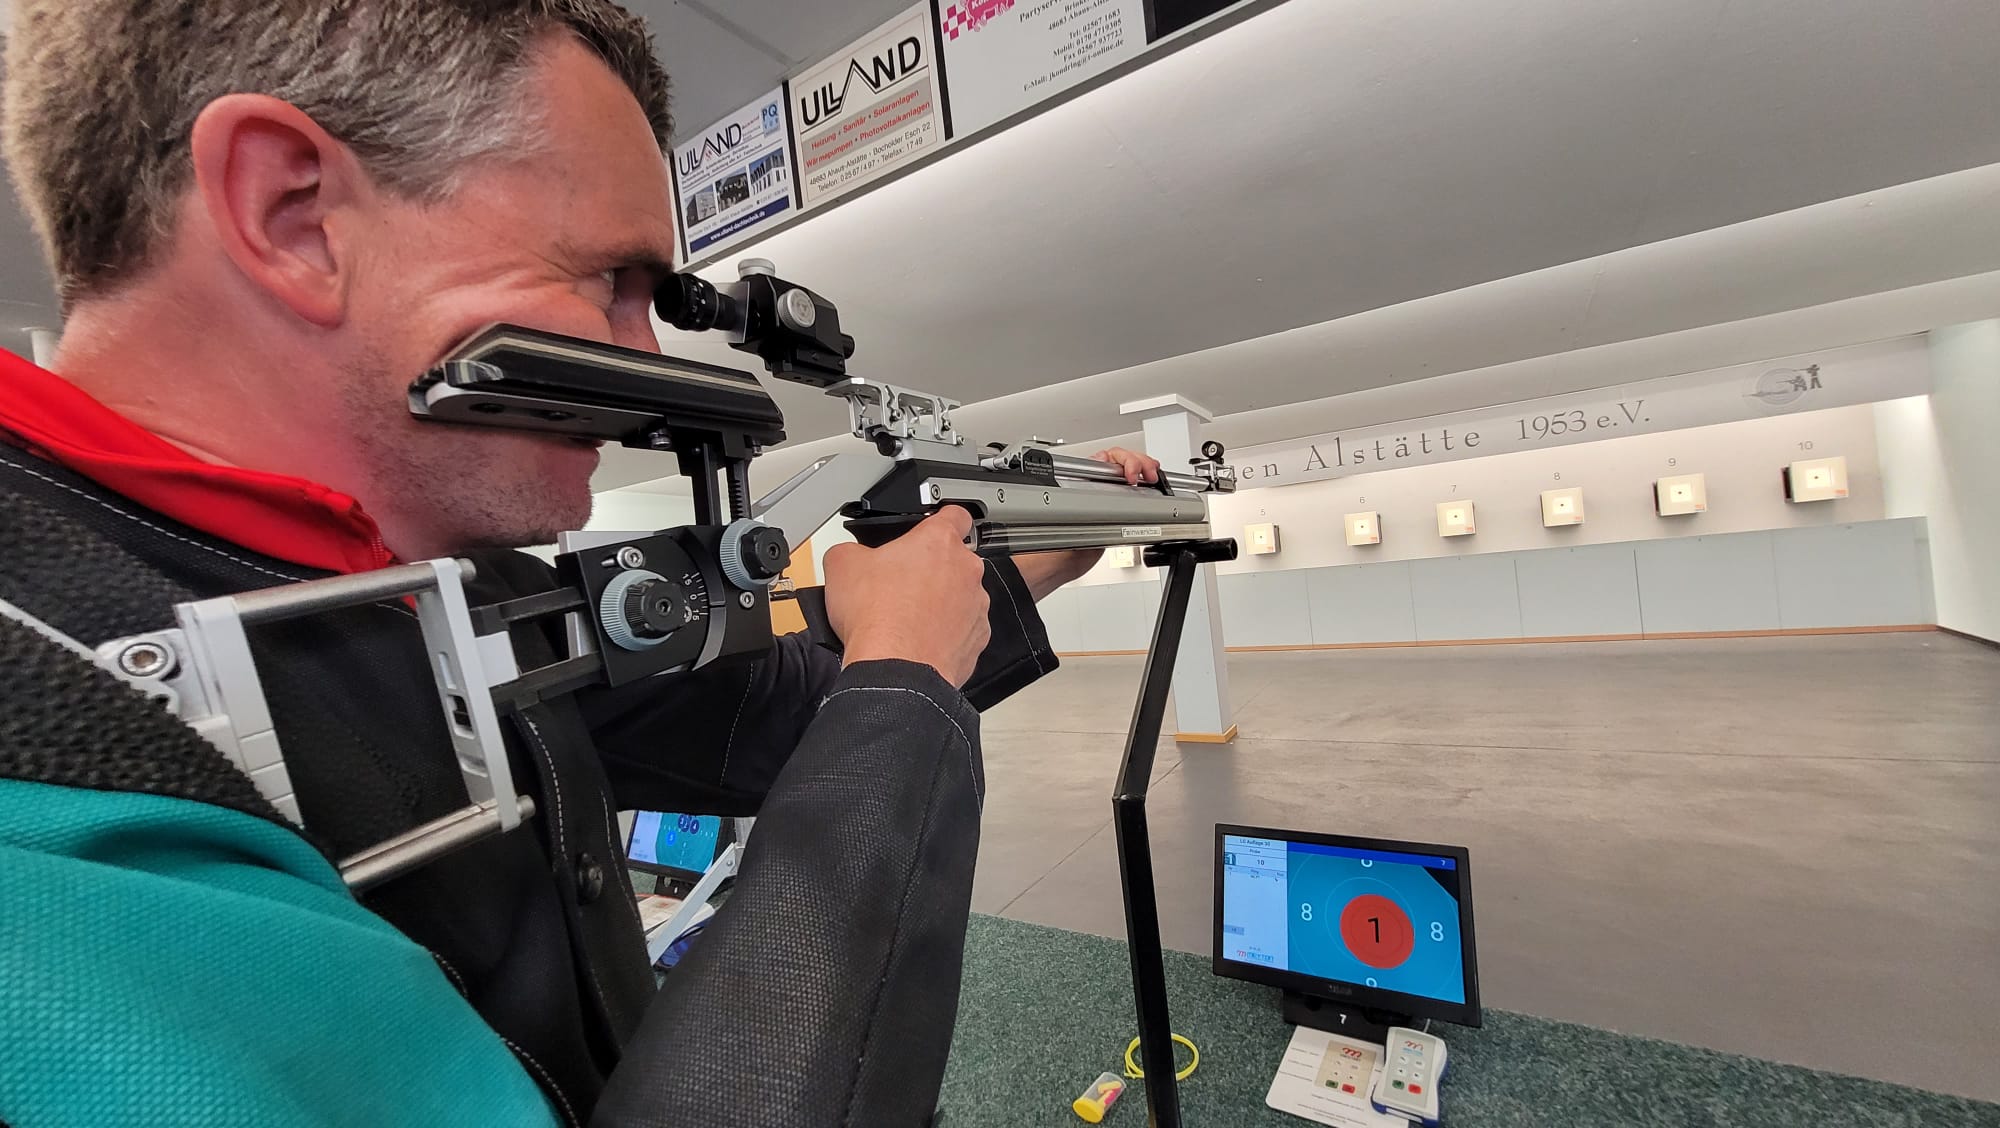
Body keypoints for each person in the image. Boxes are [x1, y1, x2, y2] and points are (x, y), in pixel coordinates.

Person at [0, 2, 1163, 1125]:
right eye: (610, 281)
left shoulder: (440, 577)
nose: (642, 353)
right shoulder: (51, 785)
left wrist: (1009, 573)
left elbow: (765, 714)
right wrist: (901, 690)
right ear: (291, 212)